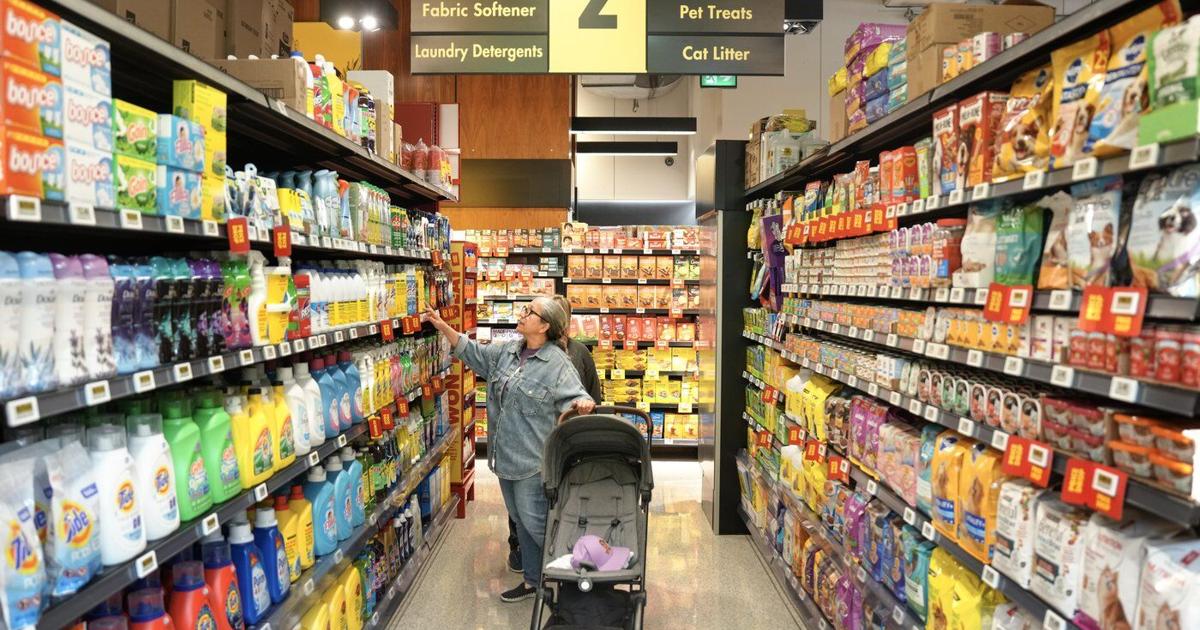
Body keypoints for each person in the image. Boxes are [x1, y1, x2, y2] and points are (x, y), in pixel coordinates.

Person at [424, 297, 595, 602]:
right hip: (504, 458)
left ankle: (579, 577)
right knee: (520, 521)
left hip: (533, 462)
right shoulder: (507, 352)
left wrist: (582, 404)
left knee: (536, 524)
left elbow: (578, 397)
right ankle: (533, 581)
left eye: (530, 311)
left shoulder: (557, 363)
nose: (522, 313)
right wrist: (442, 327)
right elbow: (472, 351)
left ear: (544, 326)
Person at [505, 295, 603, 575]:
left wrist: (582, 409)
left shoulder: (576, 354)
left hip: (561, 446)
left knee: (542, 512)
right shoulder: (522, 352)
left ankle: (572, 565)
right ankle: (530, 565)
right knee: (524, 513)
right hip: (528, 448)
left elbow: (591, 397)